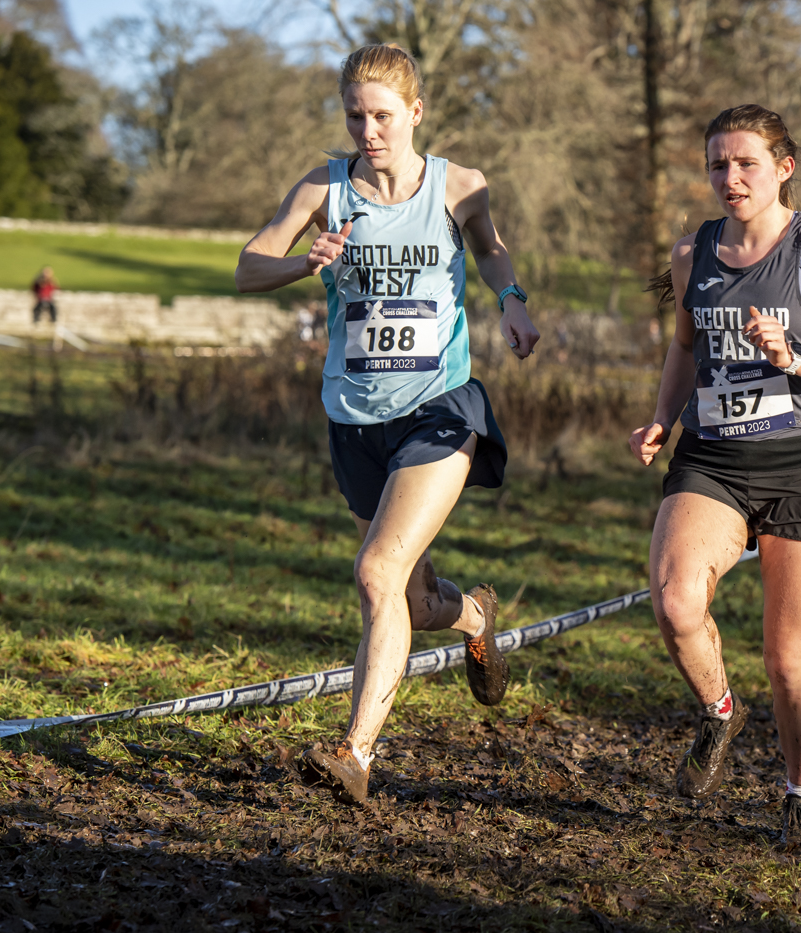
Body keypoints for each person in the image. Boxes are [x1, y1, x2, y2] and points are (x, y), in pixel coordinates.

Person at [234, 44, 539, 804]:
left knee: (375, 572)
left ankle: (356, 754)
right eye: (354, 116)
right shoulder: (324, 185)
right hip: (355, 418)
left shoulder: (457, 185)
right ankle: (472, 614)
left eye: (381, 115)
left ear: (415, 112)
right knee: (409, 596)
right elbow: (246, 267)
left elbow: (492, 251)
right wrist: (306, 264)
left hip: (439, 408)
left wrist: (512, 299)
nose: (368, 131)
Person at [628, 105, 801, 845]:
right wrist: (662, 417)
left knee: (788, 659)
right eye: (717, 165)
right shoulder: (690, 254)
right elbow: (683, 348)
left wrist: (793, 357)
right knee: (675, 604)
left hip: (800, 469)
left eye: (746, 164)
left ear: (784, 167)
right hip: (712, 459)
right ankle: (718, 710)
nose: (729, 179)